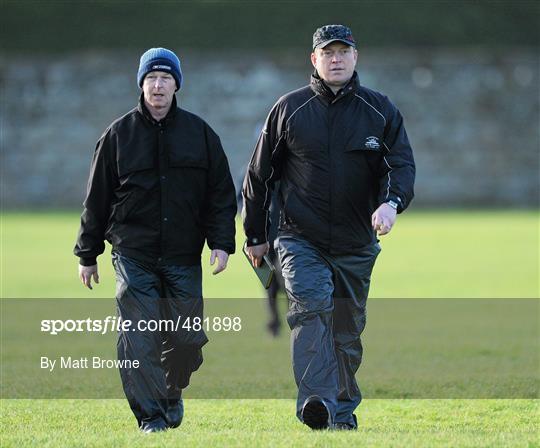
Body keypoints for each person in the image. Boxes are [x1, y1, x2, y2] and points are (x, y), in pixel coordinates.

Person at [242, 25, 415, 430]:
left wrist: (391, 205)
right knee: (310, 313)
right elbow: (258, 176)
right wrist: (255, 236)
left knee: (346, 333)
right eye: (327, 52)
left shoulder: (381, 110)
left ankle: (340, 413)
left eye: (343, 51)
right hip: (300, 239)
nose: (335, 59)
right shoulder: (289, 109)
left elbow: (401, 165)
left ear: (356, 57)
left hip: (357, 243)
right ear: (314, 60)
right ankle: (316, 401)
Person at [74, 47, 237, 433]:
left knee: (187, 341)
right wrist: (87, 253)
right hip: (134, 255)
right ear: (141, 84)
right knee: (139, 341)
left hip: (183, 255)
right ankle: (151, 417)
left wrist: (221, 242)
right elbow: (96, 199)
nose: (158, 85)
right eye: (151, 78)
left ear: (177, 84)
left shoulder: (201, 134)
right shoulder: (117, 135)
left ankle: (171, 390)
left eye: (166, 78)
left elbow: (220, 195)